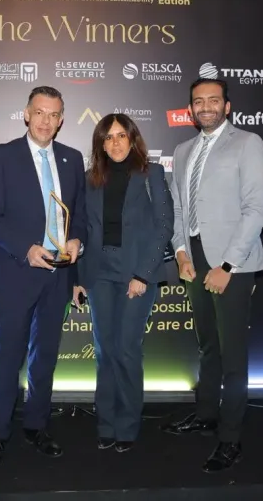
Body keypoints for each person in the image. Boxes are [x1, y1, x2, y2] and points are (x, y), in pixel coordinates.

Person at [161, 77, 263, 473]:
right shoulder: (183, 150)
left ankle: (230, 438)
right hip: (194, 262)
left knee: (233, 355)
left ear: (227, 106)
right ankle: (206, 413)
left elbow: (256, 211)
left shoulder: (248, 143)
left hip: (232, 266)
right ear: (190, 108)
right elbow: (178, 209)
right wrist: (180, 253)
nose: (205, 107)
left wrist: (227, 266)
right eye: (198, 101)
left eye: (213, 100)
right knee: (208, 345)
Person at [0, 85, 87, 471]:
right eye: (39, 112)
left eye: (53, 114)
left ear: (62, 120)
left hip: (59, 275)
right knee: (7, 357)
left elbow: (81, 218)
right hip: (17, 272)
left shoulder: (72, 159)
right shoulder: (2, 155)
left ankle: (37, 426)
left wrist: (77, 242)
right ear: (26, 114)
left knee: (45, 358)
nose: (45, 121)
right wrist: (26, 248)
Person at [73, 114, 174, 453]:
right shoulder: (90, 179)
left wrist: (143, 274)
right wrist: (79, 279)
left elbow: (164, 226)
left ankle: (127, 425)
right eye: (108, 137)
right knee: (105, 350)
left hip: (136, 274)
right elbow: (83, 231)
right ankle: (106, 423)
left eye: (120, 135)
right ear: (100, 144)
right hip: (99, 273)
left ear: (132, 138)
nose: (115, 143)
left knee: (127, 348)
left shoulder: (152, 173)